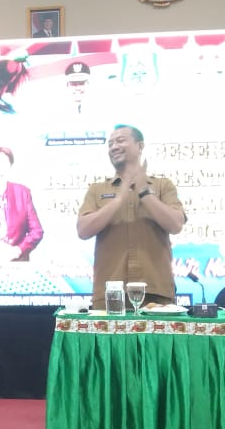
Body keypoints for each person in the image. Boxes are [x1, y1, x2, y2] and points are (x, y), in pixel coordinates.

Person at [77, 125, 186, 309]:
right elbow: (83, 230)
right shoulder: (97, 189)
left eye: (120, 141)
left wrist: (145, 193)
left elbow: (176, 225)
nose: (114, 147)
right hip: (110, 293)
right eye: (110, 144)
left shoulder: (162, 185)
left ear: (140, 146)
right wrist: (118, 199)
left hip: (156, 291)